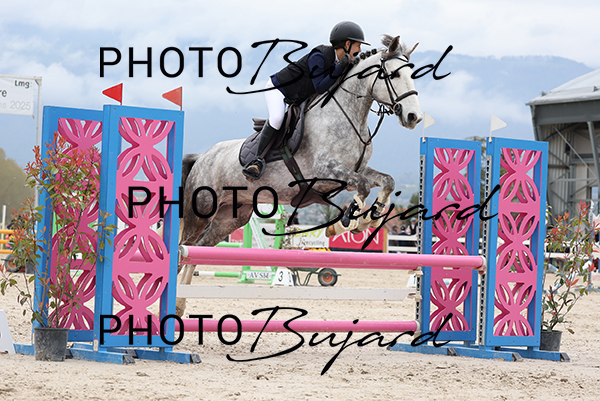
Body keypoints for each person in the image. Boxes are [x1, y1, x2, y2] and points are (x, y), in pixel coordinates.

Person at [242, 21, 370, 181]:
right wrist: (339, 69)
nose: (360, 50)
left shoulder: (340, 61)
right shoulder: (319, 56)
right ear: (347, 44)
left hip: (300, 96)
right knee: (277, 118)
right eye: (358, 46)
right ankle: (257, 160)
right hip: (278, 89)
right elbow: (320, 87)